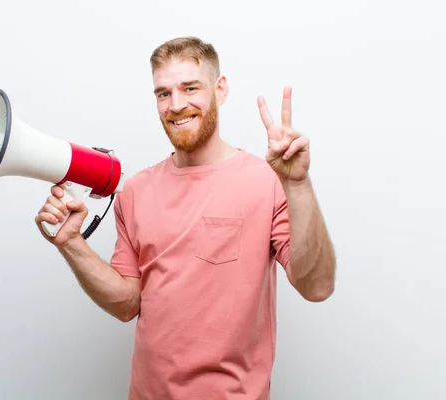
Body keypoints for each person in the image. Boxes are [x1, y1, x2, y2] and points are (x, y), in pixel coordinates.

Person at [35, 36, 336, 400]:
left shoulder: (266, 181)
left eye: (189, 88)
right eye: (163, 94)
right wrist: (71, 244)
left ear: (219, 89)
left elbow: (316, 286)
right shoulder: (135, 191)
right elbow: (128, 303)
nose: (176, 105)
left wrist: (298, 184)